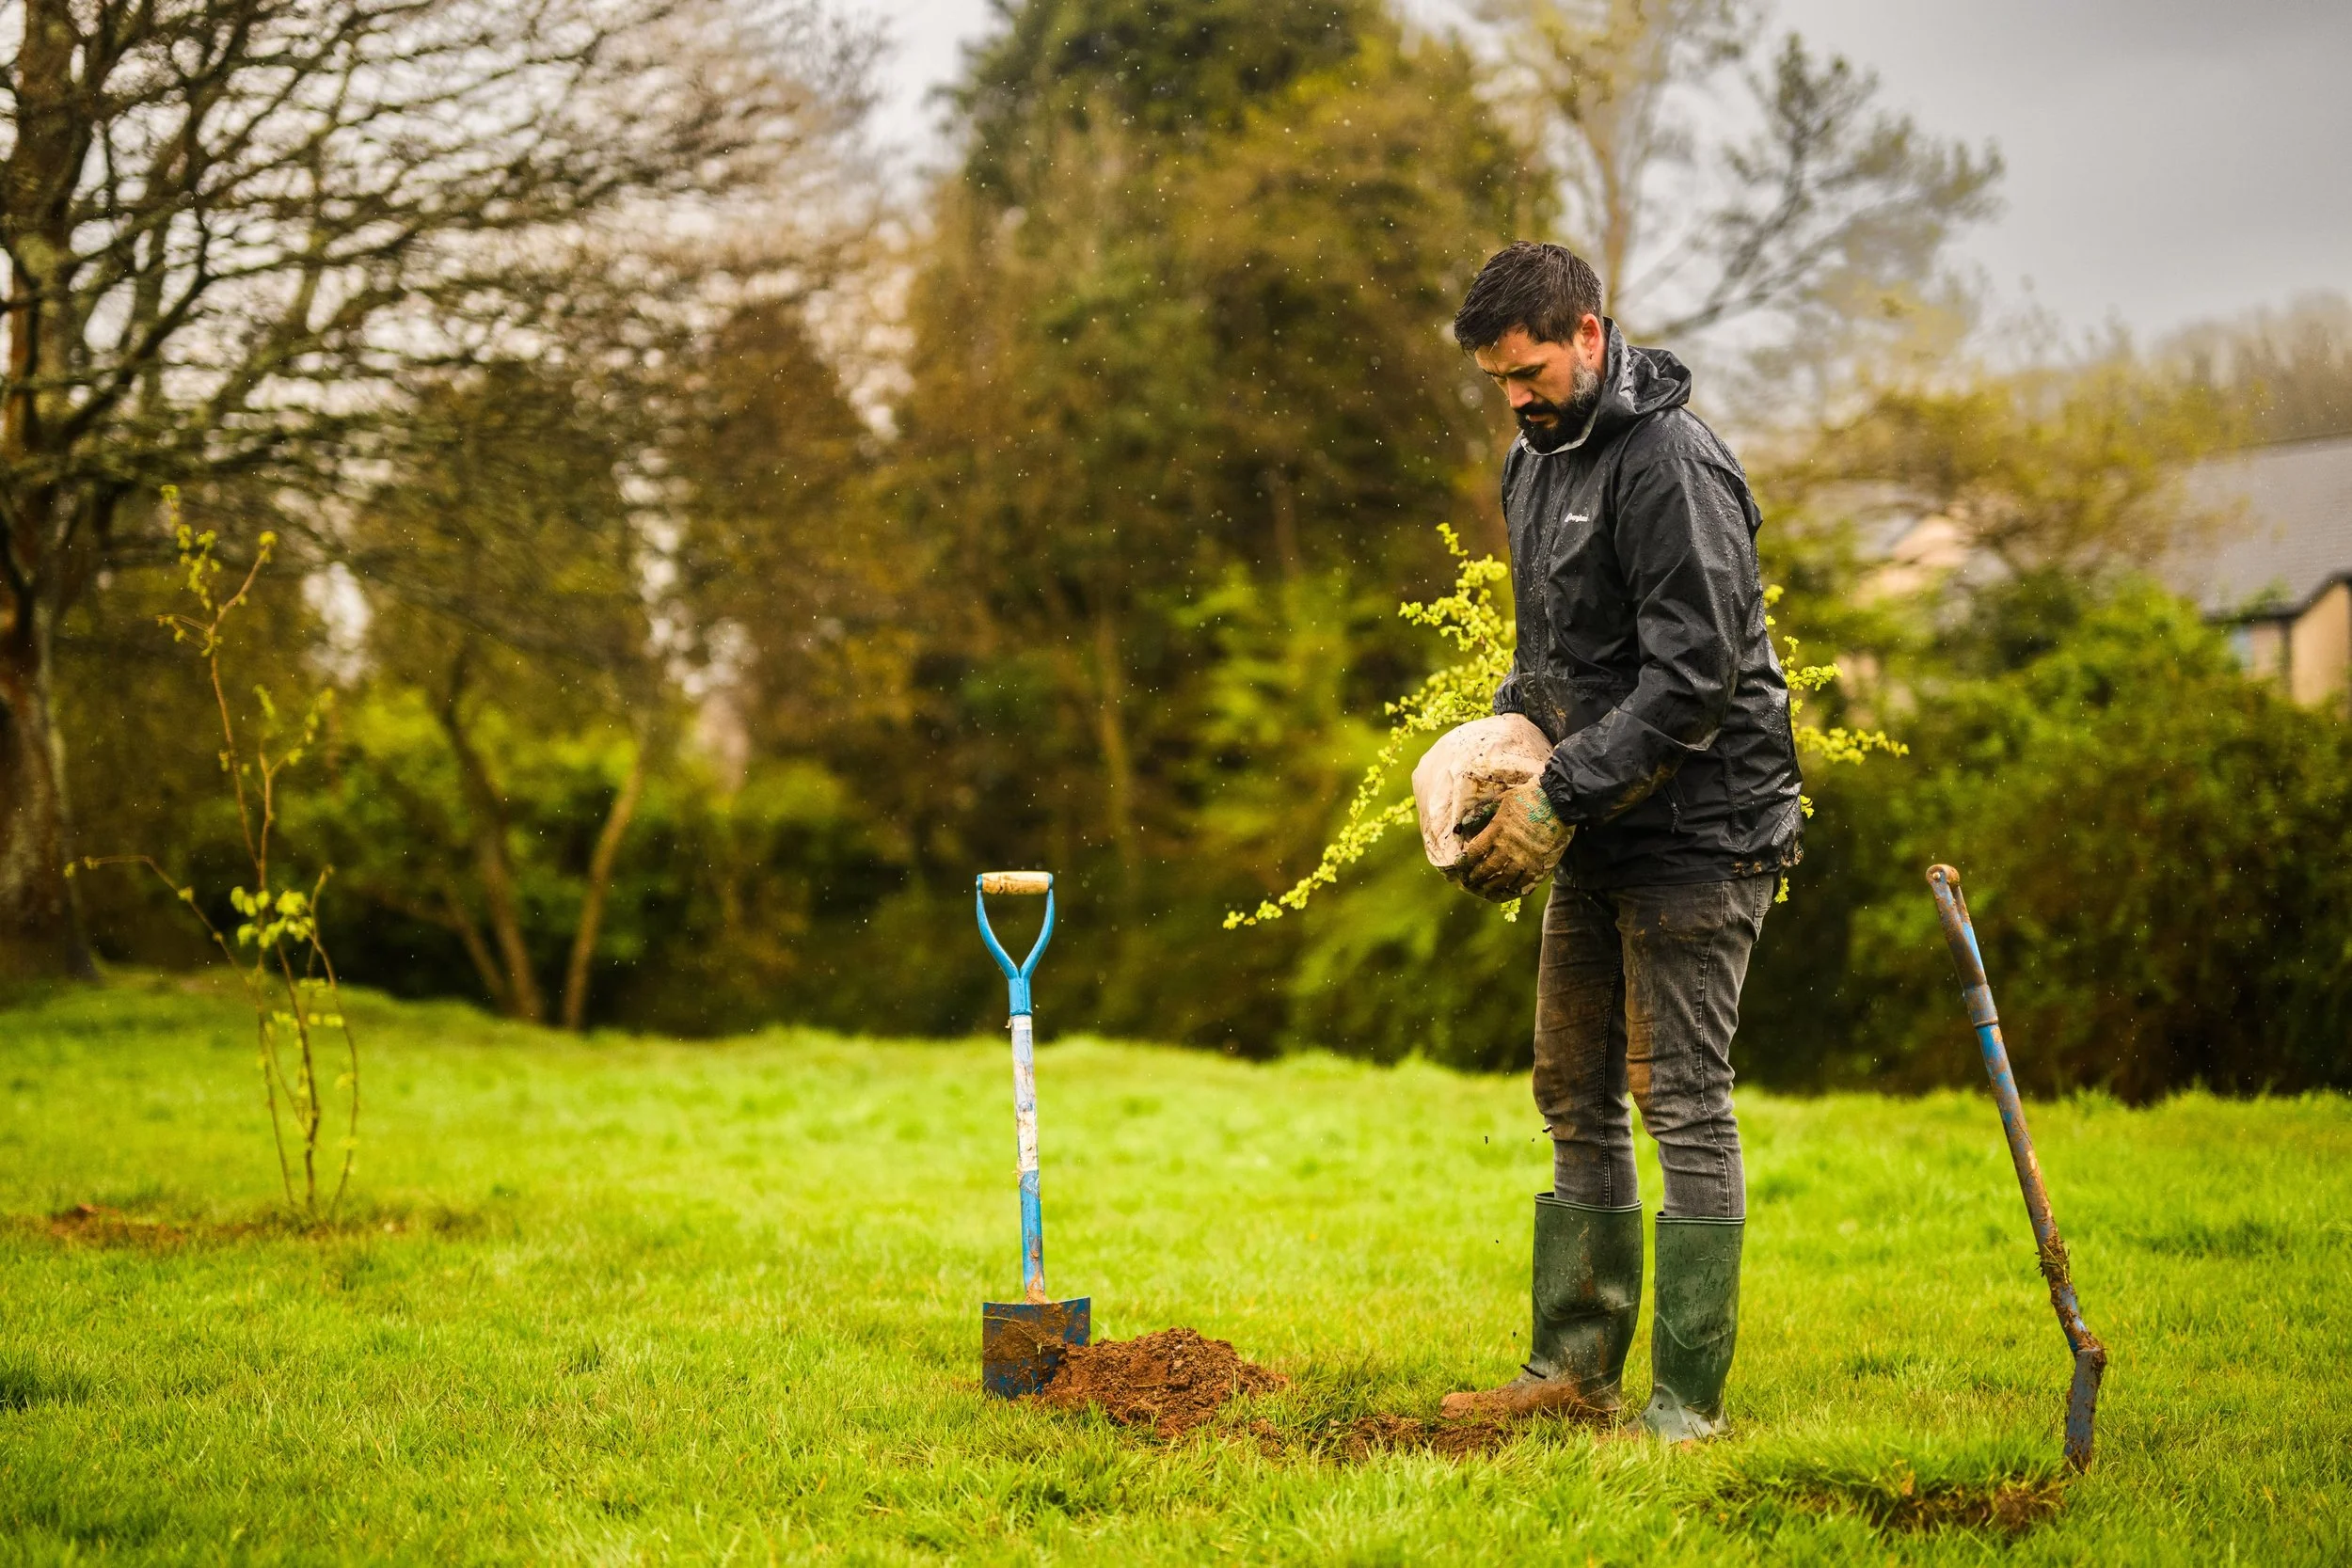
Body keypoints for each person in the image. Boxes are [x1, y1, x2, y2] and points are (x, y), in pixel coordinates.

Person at [1436, 242, 1803, 1440]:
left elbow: (1693, 677)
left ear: (1591, 334)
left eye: (1530, 369)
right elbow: (1555, 654)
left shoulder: (1670, 464)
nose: (1516, 396)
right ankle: (1572, 1368)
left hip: (1702, 826)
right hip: (1597, 818)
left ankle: (1685, 1405)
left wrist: (1563, 793)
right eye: (1498, 379)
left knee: (1678, 1098)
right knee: (1570, 1088)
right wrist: (1501, 757)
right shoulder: (1531, 463)